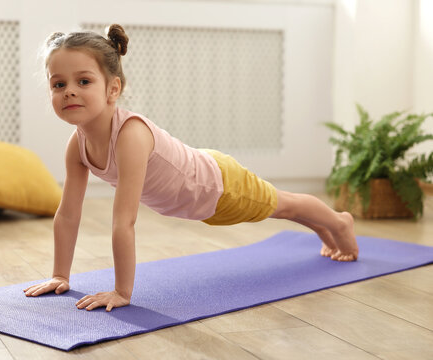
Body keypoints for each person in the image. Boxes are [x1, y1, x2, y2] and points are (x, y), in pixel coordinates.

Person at [23, 24, 359, 312]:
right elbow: (68, 215)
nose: (69, 92)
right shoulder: (77, 145)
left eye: (83, 81)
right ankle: (325, 229)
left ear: (113, 89)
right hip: (199, 188)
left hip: (219, 187)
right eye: (58, 84)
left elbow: (124, 220)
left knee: (283, 205)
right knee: (278, 207)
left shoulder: (130, 136)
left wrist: (122, 292)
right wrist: (60, 276)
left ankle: (339, 223)